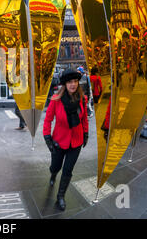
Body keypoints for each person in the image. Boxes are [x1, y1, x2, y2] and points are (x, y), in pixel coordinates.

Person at [43, 68, 89, 211]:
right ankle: (53, 174)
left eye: (75, 81)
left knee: (68, 170)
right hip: (58, 141)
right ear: (65, 84)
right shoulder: (56, 100)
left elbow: (84, 119)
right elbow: (48, 120)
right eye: (69, 82)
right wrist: (47, 137)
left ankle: (60, 196)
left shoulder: (83, 99)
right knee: (56, 167)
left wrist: (86, 133)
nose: (73, 84)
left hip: (76, 142)